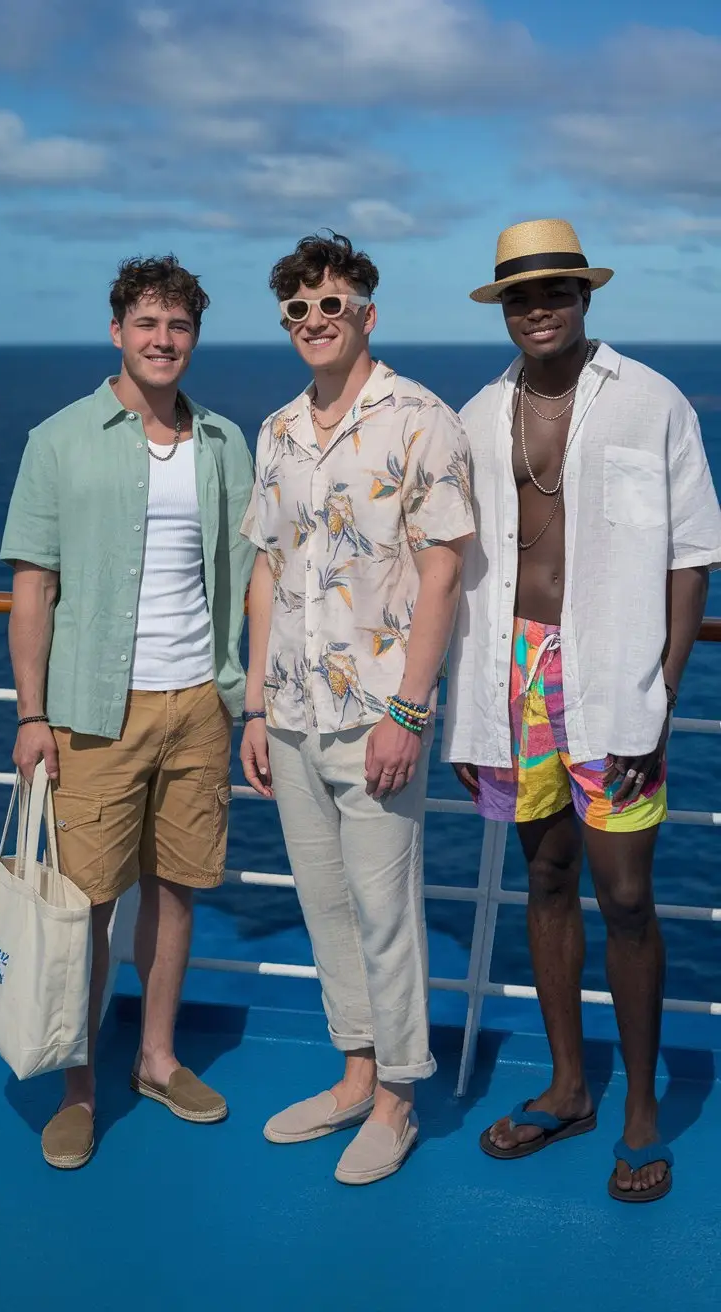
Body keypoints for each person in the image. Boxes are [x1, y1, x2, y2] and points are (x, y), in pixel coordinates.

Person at [443, 218, 721, 1203]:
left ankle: (640, 1103)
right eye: (520, 294)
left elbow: (692, 554)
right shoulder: (475, 415)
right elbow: (445, 562)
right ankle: (568, 1086)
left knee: (630, 895)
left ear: (584, 294)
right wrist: (454, 713)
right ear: (504, 309)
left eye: (554, 288)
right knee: (545, 875)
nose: (539, 306)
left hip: (615, 677)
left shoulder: (651, 402)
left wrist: (661, 687)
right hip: (509, 675)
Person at [0, 255, 255, 1169]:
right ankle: (78, 1085)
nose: (162, 340)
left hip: (198, 704)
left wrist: (249, 700)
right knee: (88, 907)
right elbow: (34, 587)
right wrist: (31, 716)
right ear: (117, 331)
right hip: (92, 713)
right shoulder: (59, 439)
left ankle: (155, 1057)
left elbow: (248, 579)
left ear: (194, 336)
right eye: (146, 323)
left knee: (178, 888)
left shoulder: (224, 442)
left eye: (179, 325)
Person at [240, 232, 474, 1185]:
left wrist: (409, 713)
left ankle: (397, 1101)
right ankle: (353, 1073)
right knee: (326, 905)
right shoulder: (277, 431)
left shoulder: (422, 419)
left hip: (378, 711)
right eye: (297, 309)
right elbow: (266, 569)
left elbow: (444, 573)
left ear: (366, 313)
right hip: (292, 712)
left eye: (329, 304)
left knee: (386, 909)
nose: (312, 322)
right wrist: (254, 705)